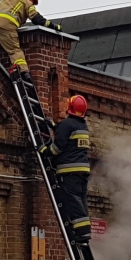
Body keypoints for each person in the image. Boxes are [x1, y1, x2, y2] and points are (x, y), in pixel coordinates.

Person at [38, 95, 92, 242]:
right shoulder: (82, 126)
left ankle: (82, 231)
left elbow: (57, 148)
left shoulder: (66, 124)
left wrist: (44, 151)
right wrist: (54, 126)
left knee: (72, 200)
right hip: (82, 171)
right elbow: (68, 136)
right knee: (80, 200)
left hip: (69, 171)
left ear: (70, 108)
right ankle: (83, 231)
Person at [0, 0, 61, 83]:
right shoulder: (26, 2)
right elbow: (36, 19)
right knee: (14, 51)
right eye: (33, 2)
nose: (33, 4)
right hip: (7, 26)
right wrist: (53, 26)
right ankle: (24, 73)